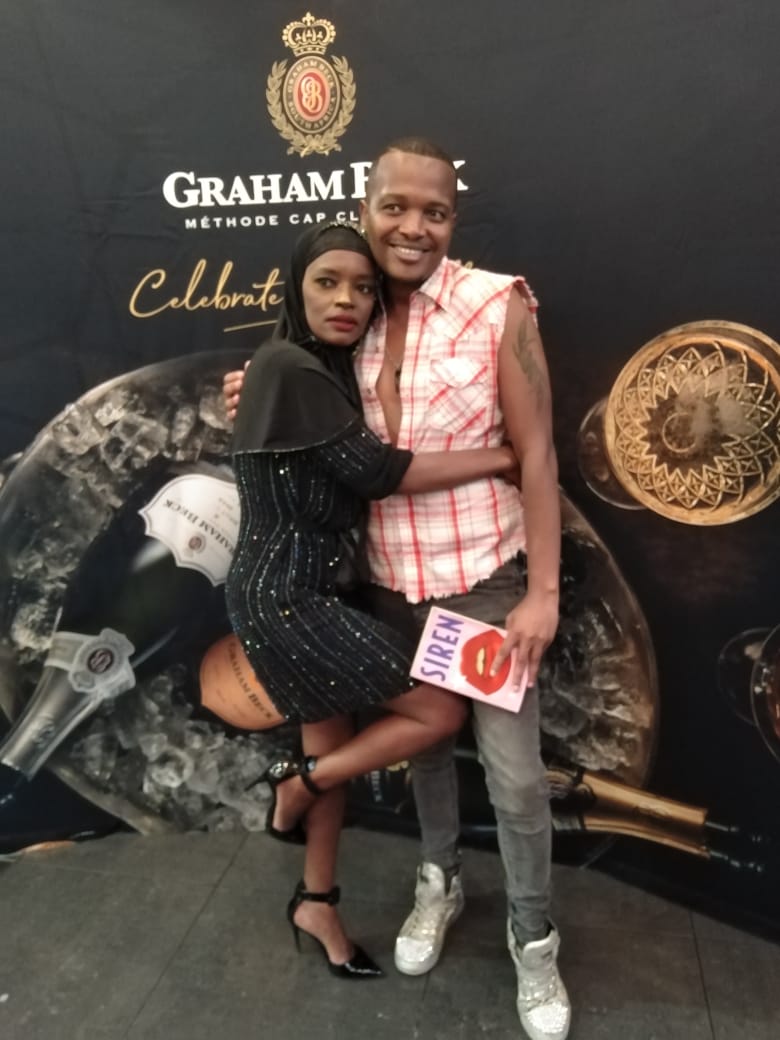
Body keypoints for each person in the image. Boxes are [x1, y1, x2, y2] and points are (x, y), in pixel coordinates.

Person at [224, 140, 570, 1040]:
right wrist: (255, 390)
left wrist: (542, 592)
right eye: (396, 207)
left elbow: (536, 454)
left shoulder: (495, 303)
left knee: (517, 781)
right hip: (387, 586)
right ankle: (438, 884)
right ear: (368, 209)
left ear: (454, 218)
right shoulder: (355, 307)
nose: (414, 227)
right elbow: (303, 399)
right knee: (425, 755)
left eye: (435, 211)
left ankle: (534, 939)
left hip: (484, 583)